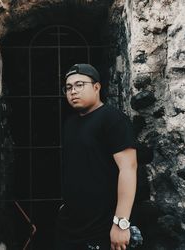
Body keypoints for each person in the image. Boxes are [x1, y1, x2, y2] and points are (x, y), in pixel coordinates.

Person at [55, 64, 138, 250]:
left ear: (96, 87)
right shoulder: (71, 123)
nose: (73, 91)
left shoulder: (112, 119)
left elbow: (129, 168)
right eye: (68, 87)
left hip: (102, 226)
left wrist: (120, 223)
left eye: (79, 85)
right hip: (71, 225)